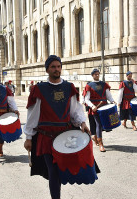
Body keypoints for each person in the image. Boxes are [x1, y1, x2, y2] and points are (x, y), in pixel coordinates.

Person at [23, 55, 90, 199]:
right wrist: (28, 137)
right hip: (46, 137)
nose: (56, 69)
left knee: (61, 170)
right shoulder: (39, 89)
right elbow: (32, 115)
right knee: (53, 171)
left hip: (65, 136)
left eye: (58, 66)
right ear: (47, 69)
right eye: (53, 67)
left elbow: (75, 110)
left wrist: (82, 123)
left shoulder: (69, 87)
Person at [83, 68, 115, 152]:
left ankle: (95, 136)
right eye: (95, 74)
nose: (97, 75)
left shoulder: (104, 84)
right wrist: (92, 106)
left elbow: (108, 95)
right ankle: (101, 144)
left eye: (98, 74)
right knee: (98, 124)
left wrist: (112, 101)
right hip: (95, 108)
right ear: (92, 75)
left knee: (104, 125)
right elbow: (86, 99)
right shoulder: (89, 86)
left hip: (104, 107)